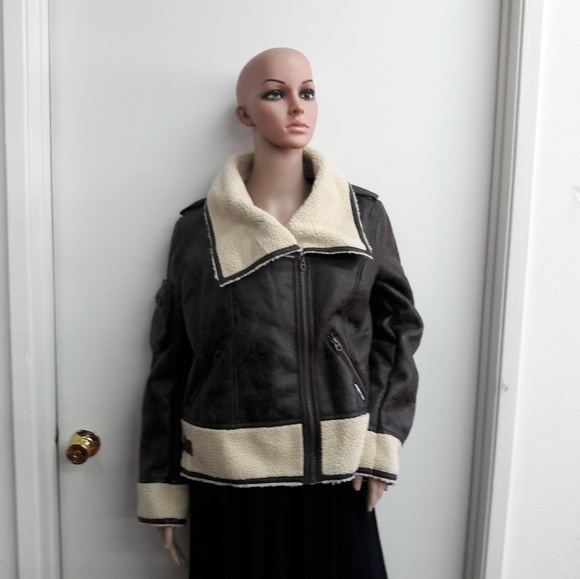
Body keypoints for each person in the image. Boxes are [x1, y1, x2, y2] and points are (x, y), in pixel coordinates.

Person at [137, 47, 423, 579]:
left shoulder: (361, 216)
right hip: (228, 478)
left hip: (338, 474)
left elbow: (399, 330)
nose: (296, 106)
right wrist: (162, 484)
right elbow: (171, 362)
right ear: (244, 113)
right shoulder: (199, 231)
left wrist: (382, 440)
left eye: (307, 92)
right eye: (275, 93)